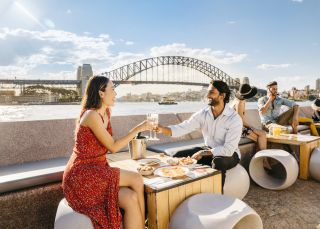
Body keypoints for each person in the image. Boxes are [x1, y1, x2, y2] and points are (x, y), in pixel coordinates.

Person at [62, 76, 152, 229]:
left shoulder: (106, 113)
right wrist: (138, 129)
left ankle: (144, 225)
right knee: (136, 179)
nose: (115, 94)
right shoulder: (91, 115)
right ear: (101, 94)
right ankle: (146, 226)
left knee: (131, 198)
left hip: (98, 168)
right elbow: (113, 147)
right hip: (82, 175)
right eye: (113, 90)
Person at [156, 80, 243, 187]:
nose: (207, 95)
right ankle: (180, 190)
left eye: (211, 92)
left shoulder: (234, 119)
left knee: (219, 162)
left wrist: (202, 153)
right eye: (208, 92)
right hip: (208, 150)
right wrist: (161, 129)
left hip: (229, 155)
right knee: (177, 156)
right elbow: (183, 128)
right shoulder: (203, 113)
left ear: (222, 95)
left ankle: (218, 197)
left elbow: (228, 150)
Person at [231, 83, 267, 151]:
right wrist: (252, 128)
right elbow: (240, 121)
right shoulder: (240, 103)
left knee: (261, 135)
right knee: (262, 135)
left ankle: (260, 158)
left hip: (236, 126)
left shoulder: (237, 100)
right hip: (237, 129)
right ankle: (263, 158)